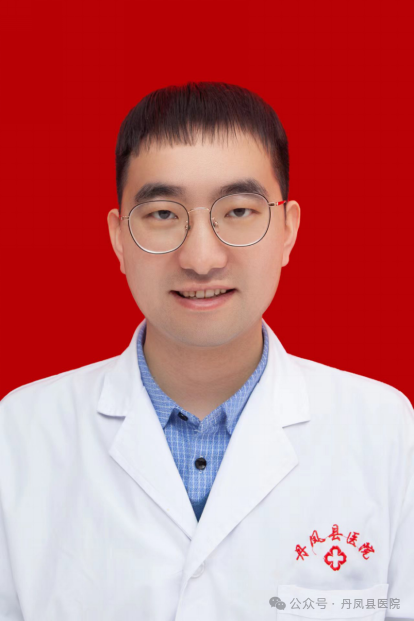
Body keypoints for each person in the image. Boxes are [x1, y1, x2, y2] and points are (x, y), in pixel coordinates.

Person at [0, 82, 412, 621]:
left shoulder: (387, 430)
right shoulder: (20, 434)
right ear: (119, 237)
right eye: (163, 214)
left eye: (238, 211)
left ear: (288, 230)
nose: (201, 258)